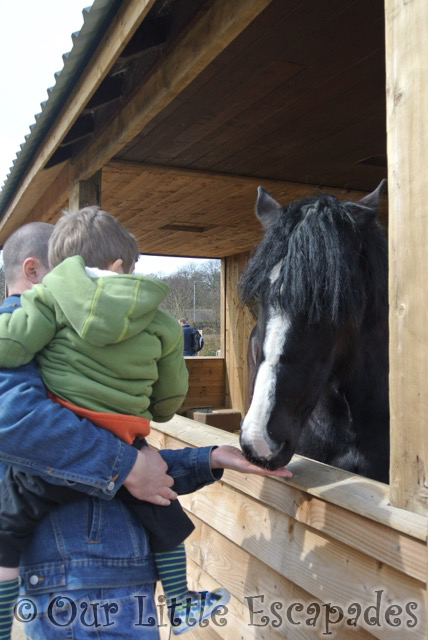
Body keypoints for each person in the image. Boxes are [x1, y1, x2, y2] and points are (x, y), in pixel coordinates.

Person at [0, 216, 292, 640]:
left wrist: (203, 459)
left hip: (95, 569)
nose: (81, 287)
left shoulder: (42, 327)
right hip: (89, 569)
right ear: (33, 270)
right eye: (66, 271)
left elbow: (112, 453)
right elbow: (15, 418)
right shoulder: (28, 316)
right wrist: (127, 466)